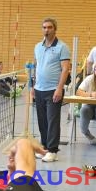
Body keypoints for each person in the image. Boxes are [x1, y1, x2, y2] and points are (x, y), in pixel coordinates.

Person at [32, 17, 71, 163]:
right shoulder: (37, 47)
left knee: (52, 120)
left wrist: (59, 89)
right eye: (44, 27)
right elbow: (36, 67)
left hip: (53, 89)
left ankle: (53, 150)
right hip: (39, 89)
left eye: (49, 27)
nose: (46, 30)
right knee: (42, 121)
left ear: (55, 29)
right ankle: (44, 148)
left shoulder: (62, 47)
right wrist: (33, 87)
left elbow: (65, 69)